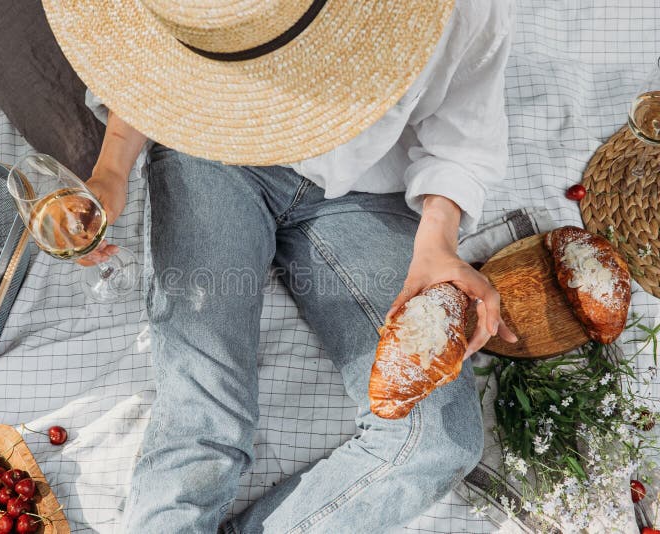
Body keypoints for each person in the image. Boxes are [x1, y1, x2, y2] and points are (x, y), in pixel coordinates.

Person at [43, 0, 518, 531]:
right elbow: (152, 64)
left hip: (362, 190)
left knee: (435, 439)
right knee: (204, 421)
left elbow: (463, 138)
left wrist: (438, 240)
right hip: (214, 153)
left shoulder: (459, 12)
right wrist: (112, 170)